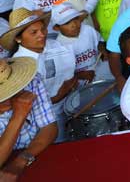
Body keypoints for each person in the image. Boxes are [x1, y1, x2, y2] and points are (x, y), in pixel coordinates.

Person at [1, 9, 76, 142]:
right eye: (33, 32)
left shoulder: (56, 46)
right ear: (18, 38)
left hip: (72, 106)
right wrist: (58, 96)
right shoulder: (18, 68)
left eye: (43, 29)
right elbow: (25, 105)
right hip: (46, 124)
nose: (42, 35)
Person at [0, 57, 57, 177]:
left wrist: (20, 161)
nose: (11, 95)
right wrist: (19, 115)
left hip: (38, 156)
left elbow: (50, 127)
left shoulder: (32, 80)